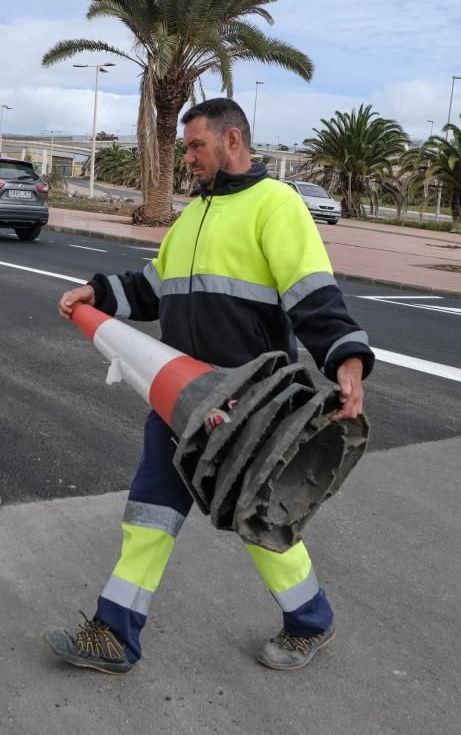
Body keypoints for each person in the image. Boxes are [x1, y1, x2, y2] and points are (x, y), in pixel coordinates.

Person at [46, 97, 373, 675]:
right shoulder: (193, 216)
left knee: (257, 516)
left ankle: (311, 620)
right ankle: (115, 634)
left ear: (233, 143)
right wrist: (98, 293)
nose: (188, 157)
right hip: (180, 398)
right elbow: (151, 288)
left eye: (197, 145)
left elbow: (313, 293)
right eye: (187, 146)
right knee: (149, 512)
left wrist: (346, 357)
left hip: (248, 403)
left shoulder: (275, 205)